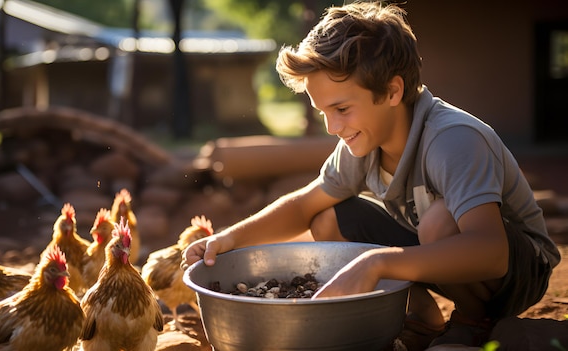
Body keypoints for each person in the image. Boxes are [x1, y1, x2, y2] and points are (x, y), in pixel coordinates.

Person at [182, 2, 561, 349]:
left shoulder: (452, 139)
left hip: (516, 268)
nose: (332, 126)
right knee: (328, 218)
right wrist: (228, 239)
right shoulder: (362, 144)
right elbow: (303, 207)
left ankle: (475, 320)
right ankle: (421, 318)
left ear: (392, 90)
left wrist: (375, 263)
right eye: (323, 112)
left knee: (438, 222)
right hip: (440, 251)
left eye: (342, 108)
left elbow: (490, 254)